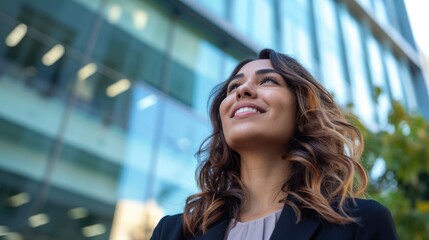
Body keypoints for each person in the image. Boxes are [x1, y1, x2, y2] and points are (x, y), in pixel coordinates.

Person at [150, 49, 397, 240]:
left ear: (304, 110)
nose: (242, 90)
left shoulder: (360, 223)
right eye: (234, 86)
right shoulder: (173, 233)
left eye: (267, 81)